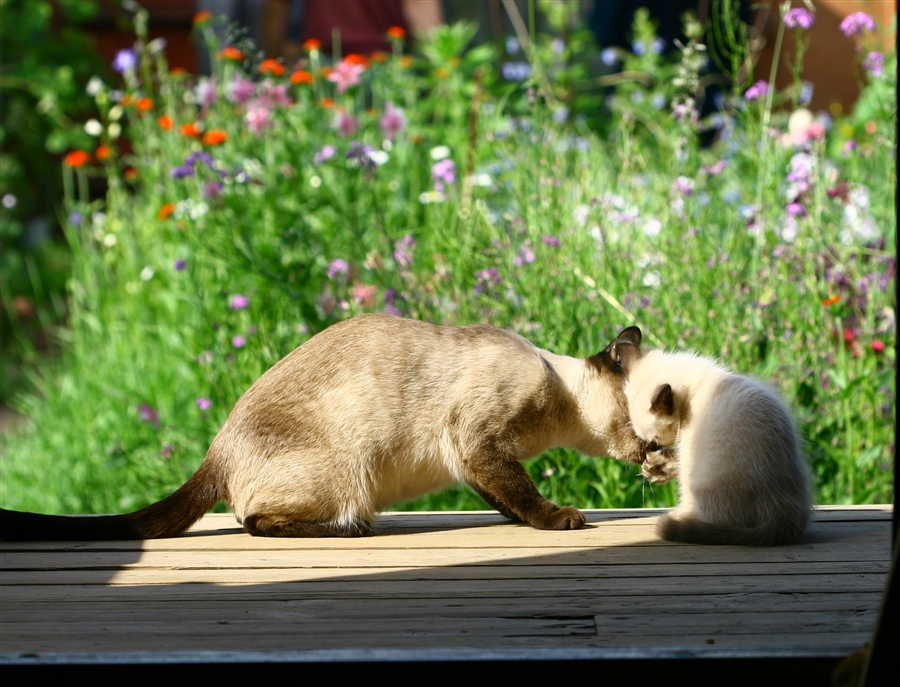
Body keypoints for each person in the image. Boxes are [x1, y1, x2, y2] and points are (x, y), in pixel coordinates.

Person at [263, 0, 443, 59]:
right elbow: (421, 9)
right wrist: (440, 70)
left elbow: (276, 8)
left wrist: (273, 62)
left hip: (325, 66)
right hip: (387, 62)